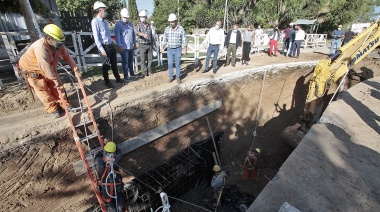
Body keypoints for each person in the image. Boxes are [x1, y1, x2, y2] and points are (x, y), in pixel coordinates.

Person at [18, 24, 81, 118]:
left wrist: (76, 70)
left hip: (49, 68)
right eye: (59, 43)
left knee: (58, 88)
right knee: (43, 90)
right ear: (49, 39)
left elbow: (68, 58)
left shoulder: (58, 45)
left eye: (61, 43)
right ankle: (53, 109)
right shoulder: (40, 47)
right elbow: (44, 66)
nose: (60, 45)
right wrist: (54, 79)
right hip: (34, 71)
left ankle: (65, 105)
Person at [91, 1, 125, 88]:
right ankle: (107, 81)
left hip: (110, 45)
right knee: (106, 65)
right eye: (104, 10)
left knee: (114, 63)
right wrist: (101, 50)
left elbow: (108, 35)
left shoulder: (105, 22)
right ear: (99, 10)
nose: (105, 12)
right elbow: (96, 37)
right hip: (103, 46)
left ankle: (117, 78)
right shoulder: (95, 21)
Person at [95, 141, 125, 212]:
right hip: (117, 188)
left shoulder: (100, 161)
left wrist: (101, 152)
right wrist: (114, 147)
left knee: (113, 209)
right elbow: (119, 152)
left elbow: (96, 157)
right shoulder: (115, 160)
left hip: (107, 190)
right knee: (120, 207)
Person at [161, 13, 188, 84]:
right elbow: (165, 39)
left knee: (177, 64)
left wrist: (185, 49)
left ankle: (178, 77)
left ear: (176, 21)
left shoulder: (181, 29)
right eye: (170, 22)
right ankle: (171, 76)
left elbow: (184, 39)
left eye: (172, 22)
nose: (171, 23)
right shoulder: (167, 29)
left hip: (178, 49)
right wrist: (162, 47)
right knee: (170, 64)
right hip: (170, 49)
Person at [114, 8, 137, 82]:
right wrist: (119, 46)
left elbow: (133, 34)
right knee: (125, 62)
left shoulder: (130, 24)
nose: (126, 19)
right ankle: (126, 76)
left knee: (131, 61)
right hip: (124, 47)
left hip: (130, 46)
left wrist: (134, 43)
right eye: (124, 17)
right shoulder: (118, 25)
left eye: (127, 17)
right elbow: (117, 36)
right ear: (121, 16)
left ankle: (132, 73)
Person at [136, 10, 154, 77]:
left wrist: (152, 43)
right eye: (141, 17)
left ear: (146, 17)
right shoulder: (138, 25)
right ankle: (144, 72)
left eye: (143, 17)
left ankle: (149, 71)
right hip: (142, 44)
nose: (142, 18)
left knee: (150, 59)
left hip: (149, 44)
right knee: (143, 59)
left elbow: (151, 35)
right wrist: (143, 35)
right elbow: (137, 32)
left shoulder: (149, 25)